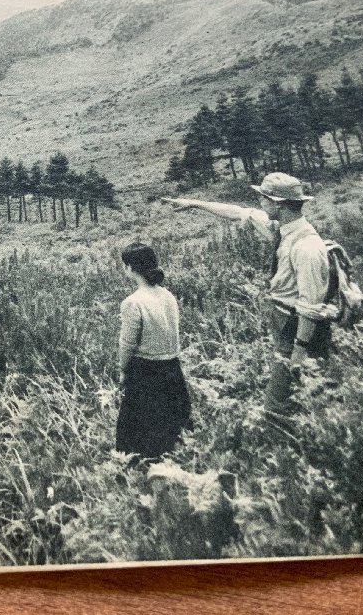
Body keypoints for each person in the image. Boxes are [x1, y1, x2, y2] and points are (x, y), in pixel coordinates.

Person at [162, 171, 331, 418]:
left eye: (263, 198)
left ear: (277, 203)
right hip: (286, 323)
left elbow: (311, 307)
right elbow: (238, 212)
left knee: (278, 405)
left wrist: (299, 351)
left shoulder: (307, 247)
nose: (259, 202)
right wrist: (194, 203)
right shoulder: (279, 228)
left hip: (300, 329)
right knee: (306, 394)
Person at [115, 243, 192, 461]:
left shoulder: (133, 302)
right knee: (169, 425)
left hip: (146, 370)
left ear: (130, 268)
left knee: (137, 430)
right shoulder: (168, 295)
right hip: (172, 367)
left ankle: (136, 471)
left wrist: (123, 369)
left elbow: (127, 343)